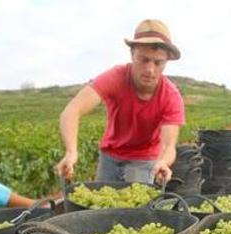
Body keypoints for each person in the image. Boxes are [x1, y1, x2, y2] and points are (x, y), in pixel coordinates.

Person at [56, 19, 185, 185]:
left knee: (135, 207)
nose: (150, 70)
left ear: (166, 61)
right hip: (110, 157)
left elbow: (168, 146)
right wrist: (71, 151)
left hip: (144, 160)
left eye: (158, 62)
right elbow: (72, 111)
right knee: (101, 205)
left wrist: (163, 162)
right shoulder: (116, 78)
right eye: (143, 60)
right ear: (132, 54)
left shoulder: (171, 96)